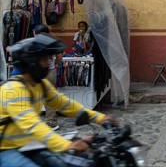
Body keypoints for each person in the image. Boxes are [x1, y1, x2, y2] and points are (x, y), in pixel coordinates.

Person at [0, 34, 116, 167]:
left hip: (27, 145)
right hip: (6, 149)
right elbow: (33, 125)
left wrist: (100, 118)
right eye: (44, 59)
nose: (49, 62)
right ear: (31, 61)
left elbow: (65, 104)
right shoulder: (13, 90)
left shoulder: (41, 85)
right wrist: (67, 145)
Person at [32, 25, 63, 130]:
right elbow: (59, 56)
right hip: (50, 71)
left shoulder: (36, 42)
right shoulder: (52, 42)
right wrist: (54, 64)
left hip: (40, 73)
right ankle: (52, 122)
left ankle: (35, 123)